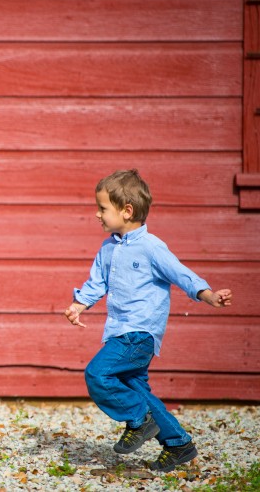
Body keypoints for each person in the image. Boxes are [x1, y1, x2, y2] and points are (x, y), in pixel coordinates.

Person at [63, 169, 231, 473]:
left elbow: (180, 273)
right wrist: (79, 304)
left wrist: (207, 294)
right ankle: (178, 444)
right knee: (137, 388)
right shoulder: (108, 248)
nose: (96, 214)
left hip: (139, 333)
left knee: (97, 374)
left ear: (127, 211)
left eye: (102, 208)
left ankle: (139, 420)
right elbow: (97, 282)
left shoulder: (151, 247)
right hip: (119, 332)